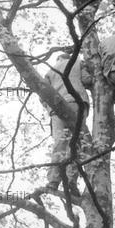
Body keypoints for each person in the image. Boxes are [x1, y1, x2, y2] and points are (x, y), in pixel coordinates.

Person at [43, 53, 92, 195]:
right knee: (76, 143)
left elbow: (43, 94)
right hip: (76, 102)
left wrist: (50, 108)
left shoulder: (50, 71)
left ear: (58, 59)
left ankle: (53, 180)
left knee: (60, 142)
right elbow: (87, 80)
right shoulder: (77, 62)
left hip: (56, 106)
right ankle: (71, 181)